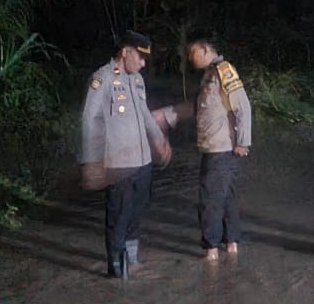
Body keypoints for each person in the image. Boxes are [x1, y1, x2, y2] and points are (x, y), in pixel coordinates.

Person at [153, 29, 252, 262]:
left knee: (209, 199)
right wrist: (166, 116)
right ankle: (231, 244)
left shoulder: (223, 71)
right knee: (225, 196)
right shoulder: (210, 74)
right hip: (215, 146)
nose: (189, 58)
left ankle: (211, 250)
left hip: (221, 148)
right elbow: (200, 108)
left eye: (192, 52)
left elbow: (243, 107)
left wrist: (243, 142)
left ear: (205, 49)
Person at [79, 30, 171, 280]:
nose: (143, 63)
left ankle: (132, 260)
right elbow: (90, 121)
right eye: (140, 57)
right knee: (119, 215)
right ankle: (117, 270)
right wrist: (92, 161)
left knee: (136, 212)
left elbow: (145, 114)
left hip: (142, 161)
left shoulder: (137, 80)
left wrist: (159, 141)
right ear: (125, 52)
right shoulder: (102, 79)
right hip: (118, 164)